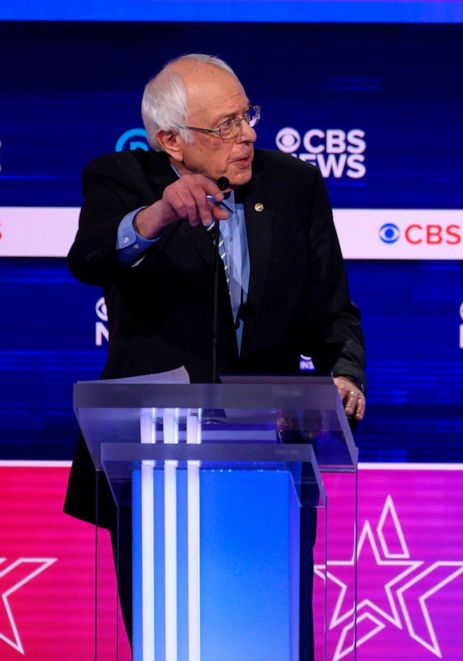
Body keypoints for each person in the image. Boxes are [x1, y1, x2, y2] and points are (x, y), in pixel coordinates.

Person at [63, 54, 366, 659]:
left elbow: (331, 310)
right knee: (166, 633)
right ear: (170, 140)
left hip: (269, 455)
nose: (248, 134)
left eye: (246, 115)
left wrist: (345, 372)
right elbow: (89, 260)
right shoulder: (120, 179)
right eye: (225, 125)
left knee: (272, 633)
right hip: (153, 458)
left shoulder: (294, 185)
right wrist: (161, 215)